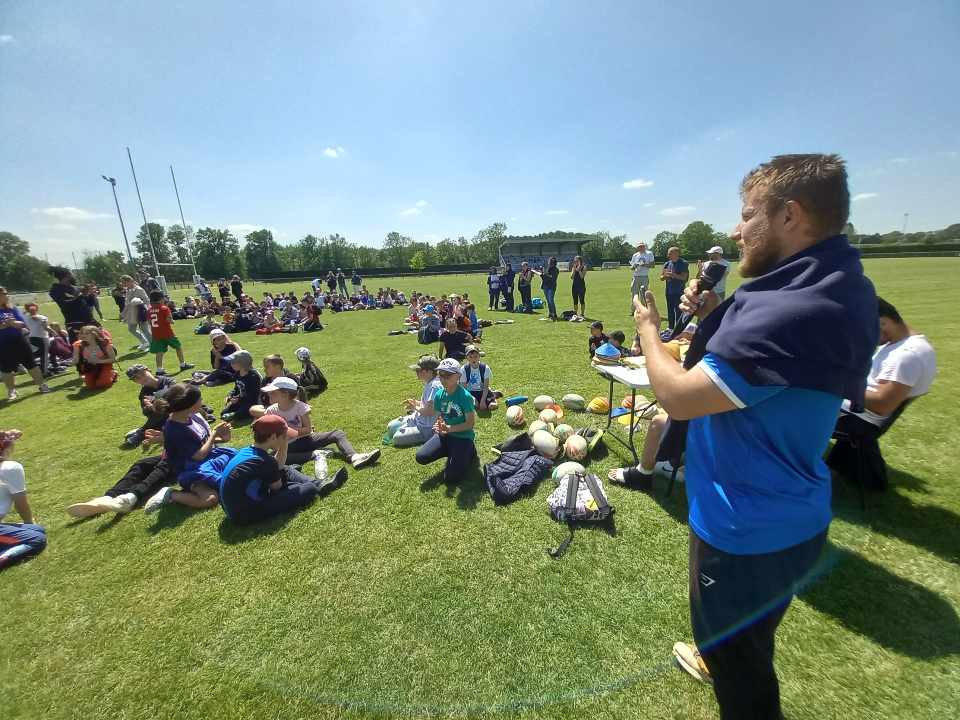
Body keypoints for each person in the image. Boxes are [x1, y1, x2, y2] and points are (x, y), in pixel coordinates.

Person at [631, 154, 876, 719]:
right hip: (795, 518)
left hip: (743, 532)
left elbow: (679, 396)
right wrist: (720, 315)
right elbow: (774, 369)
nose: (735, 232)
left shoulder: (789, 311)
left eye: (747, 215)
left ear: (789, 215)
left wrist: (648, 330)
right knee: (752, 643)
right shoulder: (834, 285)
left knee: (744, 686)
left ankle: (724, 657)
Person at [835, 297, 936, 438]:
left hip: (854, 419)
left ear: (882, 322)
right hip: (849, 411)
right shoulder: (901, 345)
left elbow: (882, 404)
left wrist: (834, 385)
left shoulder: (907, 354)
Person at [218, 415, 347, 526]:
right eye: (284, 436)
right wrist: (284, 448)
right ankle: (316, 485)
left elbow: (276, 467)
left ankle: (320, 483)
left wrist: (281, 464)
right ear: (273, 437)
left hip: (235, 508)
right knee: (308, 489)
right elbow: (278, 488)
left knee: (285, 468)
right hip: (246, 513)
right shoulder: (263, 461)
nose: (287, 438)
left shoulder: (249, 451)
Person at [143, 384, 235, 513]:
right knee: (211, 499)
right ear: (190, 405)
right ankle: (170, 494)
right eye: (200, 399)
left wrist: (223, 436)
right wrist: (214, 434)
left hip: (210, 457)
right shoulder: (174, 428)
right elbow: (198, 455)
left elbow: (203, 442)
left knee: (239, 466)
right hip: (192, 470)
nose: (202, 402)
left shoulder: (191, 417)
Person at [259, 377, 380, 468]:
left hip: (306, 440)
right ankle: (315, 454)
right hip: (287, 446)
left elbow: (307, 430)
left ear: (285, 395)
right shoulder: (271, 410)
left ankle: (354, 457)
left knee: (337, 434)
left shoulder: (300, 407)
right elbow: (267, 434)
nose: (269, 394)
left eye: (273, 392)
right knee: (275, 456)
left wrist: (288, 429)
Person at [414, 358, 478, 482]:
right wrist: (438, 426)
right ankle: (454, 452)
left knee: (451, 478)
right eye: (441, 375)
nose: (443, 379)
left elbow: (470, 424)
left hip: (463, 437)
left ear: (458, 376)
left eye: (448, 375)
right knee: (421, 457)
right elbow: (440, 415)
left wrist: (450, 428)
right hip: (444, 436)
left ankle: (469, 451)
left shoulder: (465, 397)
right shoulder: (439, 395)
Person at [0, 430, 47, 569]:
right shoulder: (10, 468)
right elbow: (21, 504)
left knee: (37, 529)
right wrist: (29, 521)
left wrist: (6, 433)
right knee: (36, 539)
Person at [389, 355, 443, 448]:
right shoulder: (429, 382)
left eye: (419, 370)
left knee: (396, 438)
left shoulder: (435, 386)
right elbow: (427, 405)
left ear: (429, 371)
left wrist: (415, 407)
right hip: (418, 419)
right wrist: (416, 403)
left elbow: (430, 411)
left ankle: (427, 438)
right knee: (391, 426)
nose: (416, 372)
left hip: (426, 428)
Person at [147, 291, 193, 376]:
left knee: (159, 352)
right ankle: (183, 364)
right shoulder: (164, 308)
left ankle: (159, 370)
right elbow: (169, 320)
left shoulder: (149, 309)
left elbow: (149, 322)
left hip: (156, 333)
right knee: (178, 347)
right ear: (161, 299)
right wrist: (172, 321)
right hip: (167, 333)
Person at [48, 266, 97, 342]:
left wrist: (91, 294)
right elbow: (66, 304)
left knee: (99, 343)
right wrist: (79, 295)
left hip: (89, 321)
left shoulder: (75, 288)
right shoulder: (56, 290)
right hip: (75, 323)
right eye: (71, 274)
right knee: (79, 347)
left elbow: (89, 303)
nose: (73, 276)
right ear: (67, 276)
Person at [70, 324, 117, 389]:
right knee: (90, 386)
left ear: (94, 334)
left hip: (104, 364)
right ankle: (96, 377)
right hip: (89, 366)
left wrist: (99, 361)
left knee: (102, 384)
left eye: (86, 333)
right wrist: (72, 362)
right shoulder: (78, 345)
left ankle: (113, 374)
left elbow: (113, 359)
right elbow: (76, 358)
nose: (83, 335)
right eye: (82, 333)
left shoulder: (104, 343)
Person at [221, 350, 262, 420]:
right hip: (240, 400)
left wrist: (239, 399)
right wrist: (231, 396)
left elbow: (253, 395)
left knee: (244, 411)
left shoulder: (253, 376)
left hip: (251, 401)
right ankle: (234, 414)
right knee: (223, 412)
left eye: (233, 362)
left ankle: (235, 415)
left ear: (243, 363)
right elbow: (236, 388)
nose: (231, 364)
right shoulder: (237, 373)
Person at [460, 345, 499, 410]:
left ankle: (493, 395)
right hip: (470, 392)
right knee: (475, 406)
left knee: (492, 406)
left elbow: (485, 387)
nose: (473, 359)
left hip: (483, 390)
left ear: (479, 356)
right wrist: (473, 399)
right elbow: (464, 389)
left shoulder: (484, 368)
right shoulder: (464, 369)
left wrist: (483, 401)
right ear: (466, 358)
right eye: (470, 357)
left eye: (476, 356)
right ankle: (493, 394)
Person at [119, 274, 152, 350]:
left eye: (124, 283)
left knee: (144, 329)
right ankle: (145, 342)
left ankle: (152, 344)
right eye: (123, 283)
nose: (124, 285)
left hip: (141, 311)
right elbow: (127, 303)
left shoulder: (139, 289)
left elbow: (147, 300)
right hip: (132, 312)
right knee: (131, 329)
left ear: (130, 281)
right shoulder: (128, 290)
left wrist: (146, 310)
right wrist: (123, 313)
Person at [660, 247, 689, 329]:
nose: (668, 255)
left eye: (670, 253)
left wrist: (673, 275)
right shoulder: (667, 264)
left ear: (677, 254)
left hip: (679, 291)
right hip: (669, 291)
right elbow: (661, 277)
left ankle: (678, 329)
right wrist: (665, 276)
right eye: (668, 253)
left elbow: (684, 278)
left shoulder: (683, 263)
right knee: (670, 310)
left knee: (679, 310)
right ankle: (670, 328)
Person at [21, 302, 51, 378]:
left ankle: (24, 361)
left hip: (31, 338)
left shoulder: (24, 317)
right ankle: (44, 372)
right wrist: (53, 332)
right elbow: (46, 328)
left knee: (38, 353)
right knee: (44, 356)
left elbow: (23, 315)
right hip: (42, 337)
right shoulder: (42, 317)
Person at [629, 242, 655, 312]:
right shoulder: (635, 255)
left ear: (644, 246)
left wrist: (644, 265)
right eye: (639, 246)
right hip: (635, 276)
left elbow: (653, 265)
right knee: (634, 294)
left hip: (644, 276)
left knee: (644, 294)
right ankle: (634, 310)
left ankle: (644, 310)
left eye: (642, 246)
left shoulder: (649, 254)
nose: (640, 247)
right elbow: (631, 267)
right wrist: (634, 266)